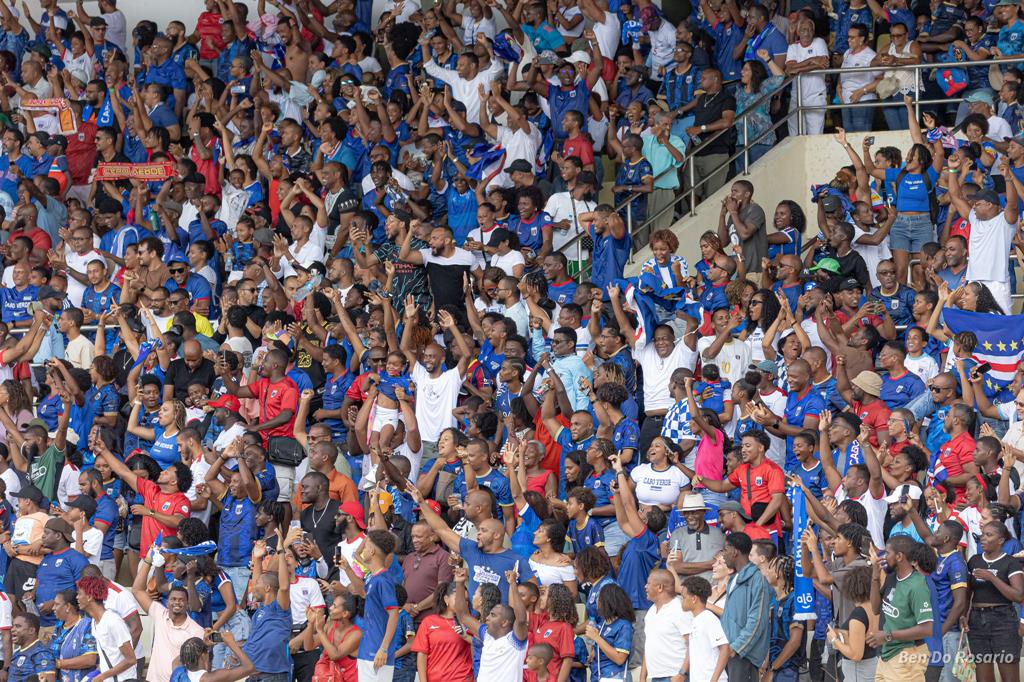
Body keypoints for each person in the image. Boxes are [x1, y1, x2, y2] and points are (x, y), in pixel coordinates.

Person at [719, 532, 772, 682]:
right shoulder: (734, 579)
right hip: (729, 652)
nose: (723, 555)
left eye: (725, 549)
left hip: (743, 655)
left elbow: (757, 620)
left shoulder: (757, 579)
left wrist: (737, 647)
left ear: (735, 552)